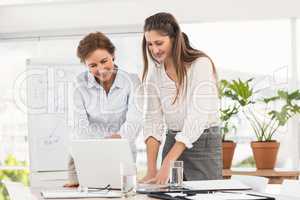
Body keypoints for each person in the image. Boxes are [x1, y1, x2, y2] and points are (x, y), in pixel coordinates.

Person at [140, 12, 222, 185]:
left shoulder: (200, 64)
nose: (154, 50)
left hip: (203, 145)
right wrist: (151, 169)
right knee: (165, 194)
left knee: (205, 195)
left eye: (159, 43)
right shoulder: (155, 74)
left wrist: (169, 161)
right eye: (150, 44)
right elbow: (152, 120)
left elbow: (197, 117)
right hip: (173, 143)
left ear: (174, 38)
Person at [64, 32, 143, 187]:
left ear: (113, 55)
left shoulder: (132, 81)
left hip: (123, 151)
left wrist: (116, 141)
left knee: (123, 192)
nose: (101, 69)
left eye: (104, 61)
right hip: (88, 153)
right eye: (93, 65)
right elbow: (79, 126)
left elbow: (135, 120)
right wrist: (100, 148)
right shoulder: (78, 84)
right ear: (86, 65)